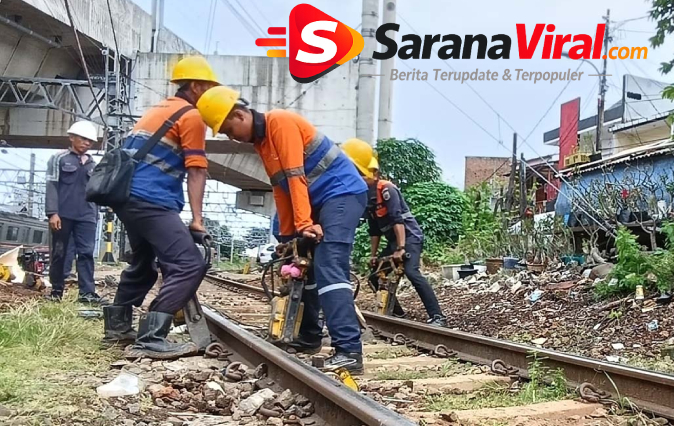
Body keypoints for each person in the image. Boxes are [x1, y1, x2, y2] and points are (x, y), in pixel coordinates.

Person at [195, 86, 368, 373]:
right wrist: (290, 239)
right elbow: (281, 190)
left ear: (239, 114)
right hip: (318, 202)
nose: (230, 138)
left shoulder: (281, 122)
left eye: (228, 129)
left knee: (329, 265)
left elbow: (295, 175)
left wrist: (303, 224)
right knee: (306, 268)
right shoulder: (262, 143)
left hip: (343, 195)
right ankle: (310, 336)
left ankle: (349, 349)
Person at [102, 55, 219, 358]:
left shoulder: (160, 109)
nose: (211, 95)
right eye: (208, 88)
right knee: (188, 264)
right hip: (150, 200)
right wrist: (197, 219)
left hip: (128, 198)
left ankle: (117, 326)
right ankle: (151, 337)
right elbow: (197, 169)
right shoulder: (191, 116)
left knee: (143, 262)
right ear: (195, 86)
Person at [341, 138, 448, 327]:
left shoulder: (387, 189)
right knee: (375, 275)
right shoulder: (364, 194)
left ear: (374, 173)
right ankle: (397, 315)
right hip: (393, 241)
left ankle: (437, 316)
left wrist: (400, 248)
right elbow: (374, 230)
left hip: (409, 237)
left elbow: (397, 219)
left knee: (411, 271)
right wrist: (373, 256)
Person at [45, 121, 104, 304]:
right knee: (61, 254)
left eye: (90, 141)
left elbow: (97, 191)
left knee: (86, 253)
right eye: (83, 139)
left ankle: (87, 293)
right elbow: (52, 185)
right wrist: (52, 213)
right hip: (63, 216)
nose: (87, 143)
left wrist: (97, 213)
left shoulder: (95, 164)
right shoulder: (59, 159)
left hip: (87, 216)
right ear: (72, 138)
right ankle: (56, 291)